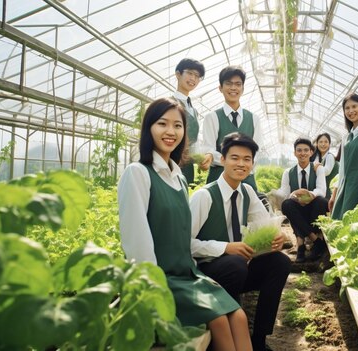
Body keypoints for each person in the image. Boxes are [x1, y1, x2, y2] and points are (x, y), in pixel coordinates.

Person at [117, 98, 251, 351]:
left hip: (188, 274)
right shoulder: (138, 173)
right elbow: (137, 243)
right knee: (219, 321)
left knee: (240, 317)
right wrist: (153, 292)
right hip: (162, 279)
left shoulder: (178, 176)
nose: (171, 132)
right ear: (148, 128)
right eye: (162, 124)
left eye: (178, 126)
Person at [190, 132, 291, 351]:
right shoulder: (204, 196)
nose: (241, 164)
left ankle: (259, 340)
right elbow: (184, 244)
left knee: (279, 262)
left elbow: (265, 225)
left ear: (252, 164)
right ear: (222, 160)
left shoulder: (247, 192)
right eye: (235, 158)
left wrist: (276, 237)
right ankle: (223, 336)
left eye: (247, 159)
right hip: (206, 273)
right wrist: (225, 247)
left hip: (237, 271)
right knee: (235, 264)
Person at [200, 66, 264, 192]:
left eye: (238, 84)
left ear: (242, 88)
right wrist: (235, 163)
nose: (233, 88)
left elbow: (257, 151)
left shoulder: (253, 119)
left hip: (246, 180)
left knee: (247, 210)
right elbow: (208, 149)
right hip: (218, 179)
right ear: (220, 88)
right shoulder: (212, 117)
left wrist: (242, 165)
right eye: (228, 84)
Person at [278, 137, 328, 263]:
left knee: (322, 201)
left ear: (311, 152)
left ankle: (301, 245)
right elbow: (284, 194)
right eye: (299, 150)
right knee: (286, 205)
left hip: (313, 209)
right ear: (294, 153)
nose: (303, 153)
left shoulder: (318, 169)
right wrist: (294, 194)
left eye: (306, 150)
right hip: (297, 209)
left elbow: (321, 190)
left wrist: (309, 194)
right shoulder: (288, 172)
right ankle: (315, 241)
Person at [173, 58, 204, 185]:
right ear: (178, 74)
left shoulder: (194, 111)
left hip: (188, 165)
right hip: (172, 162)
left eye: (197, 76)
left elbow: (195, 141)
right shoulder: (170, 103)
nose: (193, 79)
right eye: (190, 73)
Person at [311, 133, 338, 199]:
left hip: (328, 193)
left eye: (326, 142)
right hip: (319, 191)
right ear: (317, 144)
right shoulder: (317, 157)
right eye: (321, 142)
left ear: (329, 144)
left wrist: (316, 167)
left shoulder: (330, 156)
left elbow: (326, 171)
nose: (323, 144)